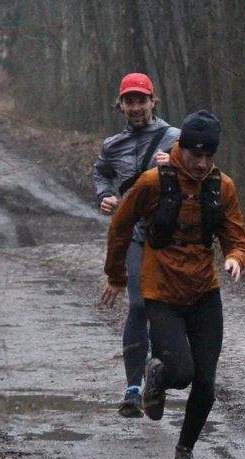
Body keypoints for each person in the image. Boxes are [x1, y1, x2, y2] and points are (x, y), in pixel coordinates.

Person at [102, 111, 245, 459]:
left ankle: (185, 449)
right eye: (194, 155)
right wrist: (116, 274)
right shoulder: (153, 183)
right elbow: (120, 228)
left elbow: (236, 235)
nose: (201, 164)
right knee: (181, 372)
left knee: (206, 382)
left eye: (208, 156)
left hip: (204, 291)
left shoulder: (222, 186)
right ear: (180, 147)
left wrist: (235, 257)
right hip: (162, 291)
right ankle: (156, 375)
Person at [92, 73, 180, 418]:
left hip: (168, 234)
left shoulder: (174, 138)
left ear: (152, 102)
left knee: (165, 306)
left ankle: (156, 372)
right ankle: (132, 390)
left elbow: (198, 178)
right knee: (139, 305)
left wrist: (173, 167)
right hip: (132, 233)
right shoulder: (112, 145)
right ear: (121, 105)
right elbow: (100, 173)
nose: (135, 107)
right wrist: (105, 196)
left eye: (141, 100)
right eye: (129, 101)